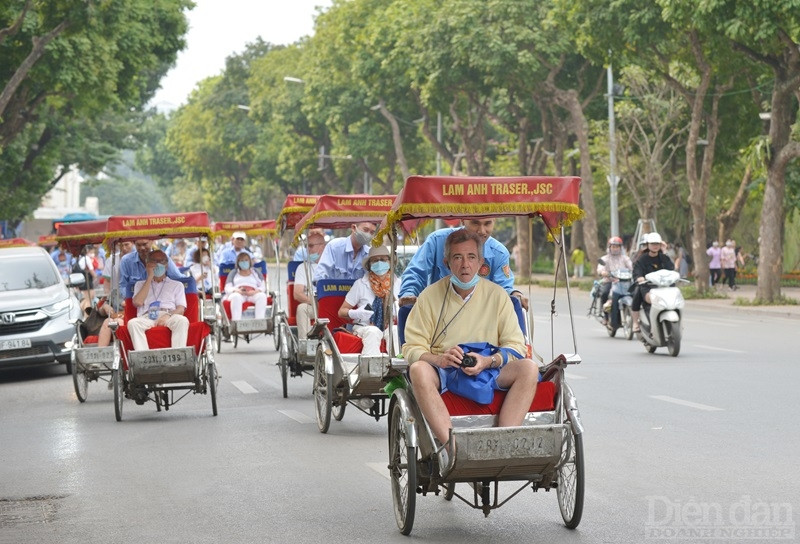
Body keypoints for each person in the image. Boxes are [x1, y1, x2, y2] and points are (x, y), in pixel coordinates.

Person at [403, 229, 539, 473]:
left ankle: (500, 446)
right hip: (445, 369)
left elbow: (516, 346)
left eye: (471, 257)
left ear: (481, 263)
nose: (465, 265)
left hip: (488, 367)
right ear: (447, 263)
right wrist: (439, 359)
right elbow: (412, 347)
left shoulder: (498, 296)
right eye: (457, 258)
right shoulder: (429, 296)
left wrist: (489, 361)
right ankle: (451, 449)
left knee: (528, 367)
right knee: (418, 370)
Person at [398, 219, 527, 310]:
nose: (482, 231)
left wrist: (514, 294)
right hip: (438, 314)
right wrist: (409, 293)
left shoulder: (499, 252)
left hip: (482, 317)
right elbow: (416, 272)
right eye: (457, 257)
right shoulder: (437, 240)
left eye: (487, 224)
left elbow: (503, 289)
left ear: (480, 261)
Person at [338, 245, 400, 356]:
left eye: (383, 259)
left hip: (389, 326)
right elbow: (341, 311)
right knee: (373, 331)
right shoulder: (360, 284)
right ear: (369, 265)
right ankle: (370, 370)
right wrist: (355, 313)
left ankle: (398, 367)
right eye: (375, 260)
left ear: (389, 262)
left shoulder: (398, 283)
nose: (379, 263)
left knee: (395, 330)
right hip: (364, 327)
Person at [127, 250, 189, 351]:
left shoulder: (177, 285)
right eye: (154, 261)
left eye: (162, 261)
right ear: (147, 264)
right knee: (133, 323)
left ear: (167, 265)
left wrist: (168, 315)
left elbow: (181, 309)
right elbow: (137, 302)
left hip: (169, 314)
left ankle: (177, 357)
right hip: (146, 317)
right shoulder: (139, 284)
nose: (158, 264)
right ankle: (144, 358)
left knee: (182, 320)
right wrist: (150, 276)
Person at [631, 232, 674, 333]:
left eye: (657, 244)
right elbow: (637, 271)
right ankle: (635, 323)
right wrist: (639, 277)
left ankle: (674, 323)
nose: (655, 246)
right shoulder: (642, 258)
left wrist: (665, 251)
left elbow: (671, 269)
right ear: (648, 245)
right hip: (648, 287)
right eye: (652, 244)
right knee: (637, 294)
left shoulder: (664, 257)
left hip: (663, 287)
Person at [313, 222, 377, 282]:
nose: (368, 235)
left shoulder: (369, 254)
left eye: (372, 233)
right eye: (365, 230)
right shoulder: (334, 247)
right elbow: (320, 275)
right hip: (334, 292)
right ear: (353, 228)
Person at [119, 239, 184, 298]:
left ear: (152, 241)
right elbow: (123, 285)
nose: (142, 248)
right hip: (137, 300)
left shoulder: (162, 258)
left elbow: (178, 277)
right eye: (138, 245)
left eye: (145, 244)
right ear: (134, 244)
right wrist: (129, 299)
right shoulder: (126, 261)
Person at [293, 232, 327, 339]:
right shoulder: (302, 268)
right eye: (307, 246)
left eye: (311, 246)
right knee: (302, 308)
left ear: (322, 247)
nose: (308, 249)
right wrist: (314, 302)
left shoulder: (332, 266)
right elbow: (297, 294)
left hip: (330, 302)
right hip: (313, 303)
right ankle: (306, 343)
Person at [596, 236, 633, 327]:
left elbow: (631, 267)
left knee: (635, 293)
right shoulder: (605, 258)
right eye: (613, 247)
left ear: (621, 247)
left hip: (624, 282)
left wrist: (634, 271)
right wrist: (603, 272)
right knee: (605, 293)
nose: (615, 249)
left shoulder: (625, 258)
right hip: (609, 281)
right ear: (610, 247)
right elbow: (600, 268)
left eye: (617, 247)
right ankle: (606, 316)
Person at [224, 252, 267, 319]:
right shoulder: (233, 273)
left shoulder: (256, 272)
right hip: (239, 294)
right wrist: (237, 290)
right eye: (241, 260)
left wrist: (255, 291)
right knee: (236, 297)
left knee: (262, 296)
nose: (244, 262)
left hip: (253, 293)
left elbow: (263, 286)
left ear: (250, 261)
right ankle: (236, 322)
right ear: (238, 262)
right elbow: (227, 288)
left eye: (246, 260)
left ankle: (259, 322)